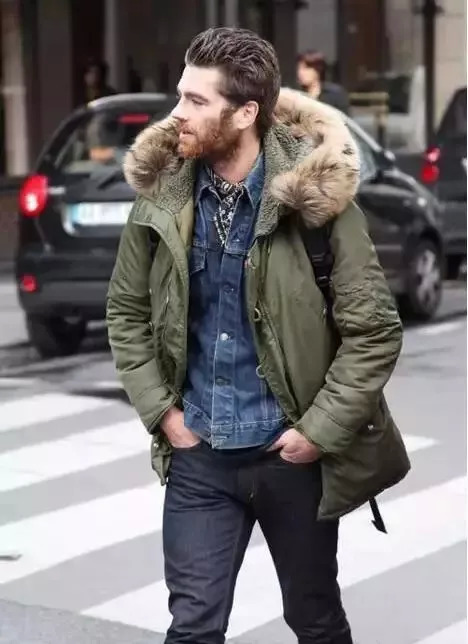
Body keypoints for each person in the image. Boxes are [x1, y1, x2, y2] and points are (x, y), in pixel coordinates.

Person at [106, 27, 410, 644]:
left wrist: (317, 433)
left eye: (196, 100)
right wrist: (164, 415)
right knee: (192, 626)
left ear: (245, 113)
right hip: (198, 455)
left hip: (290, 457)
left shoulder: (316, 200)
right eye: (180, 94)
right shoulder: (164, 193)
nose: (177, 113)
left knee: (314, 620)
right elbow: (126, 310)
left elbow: (374, 331)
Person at [297, 49, 350, 114]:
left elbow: (344, 119)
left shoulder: (336, 94)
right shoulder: (297, 95)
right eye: (298, 68)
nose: (300, 73)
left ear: (318, 69)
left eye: (306, 68)